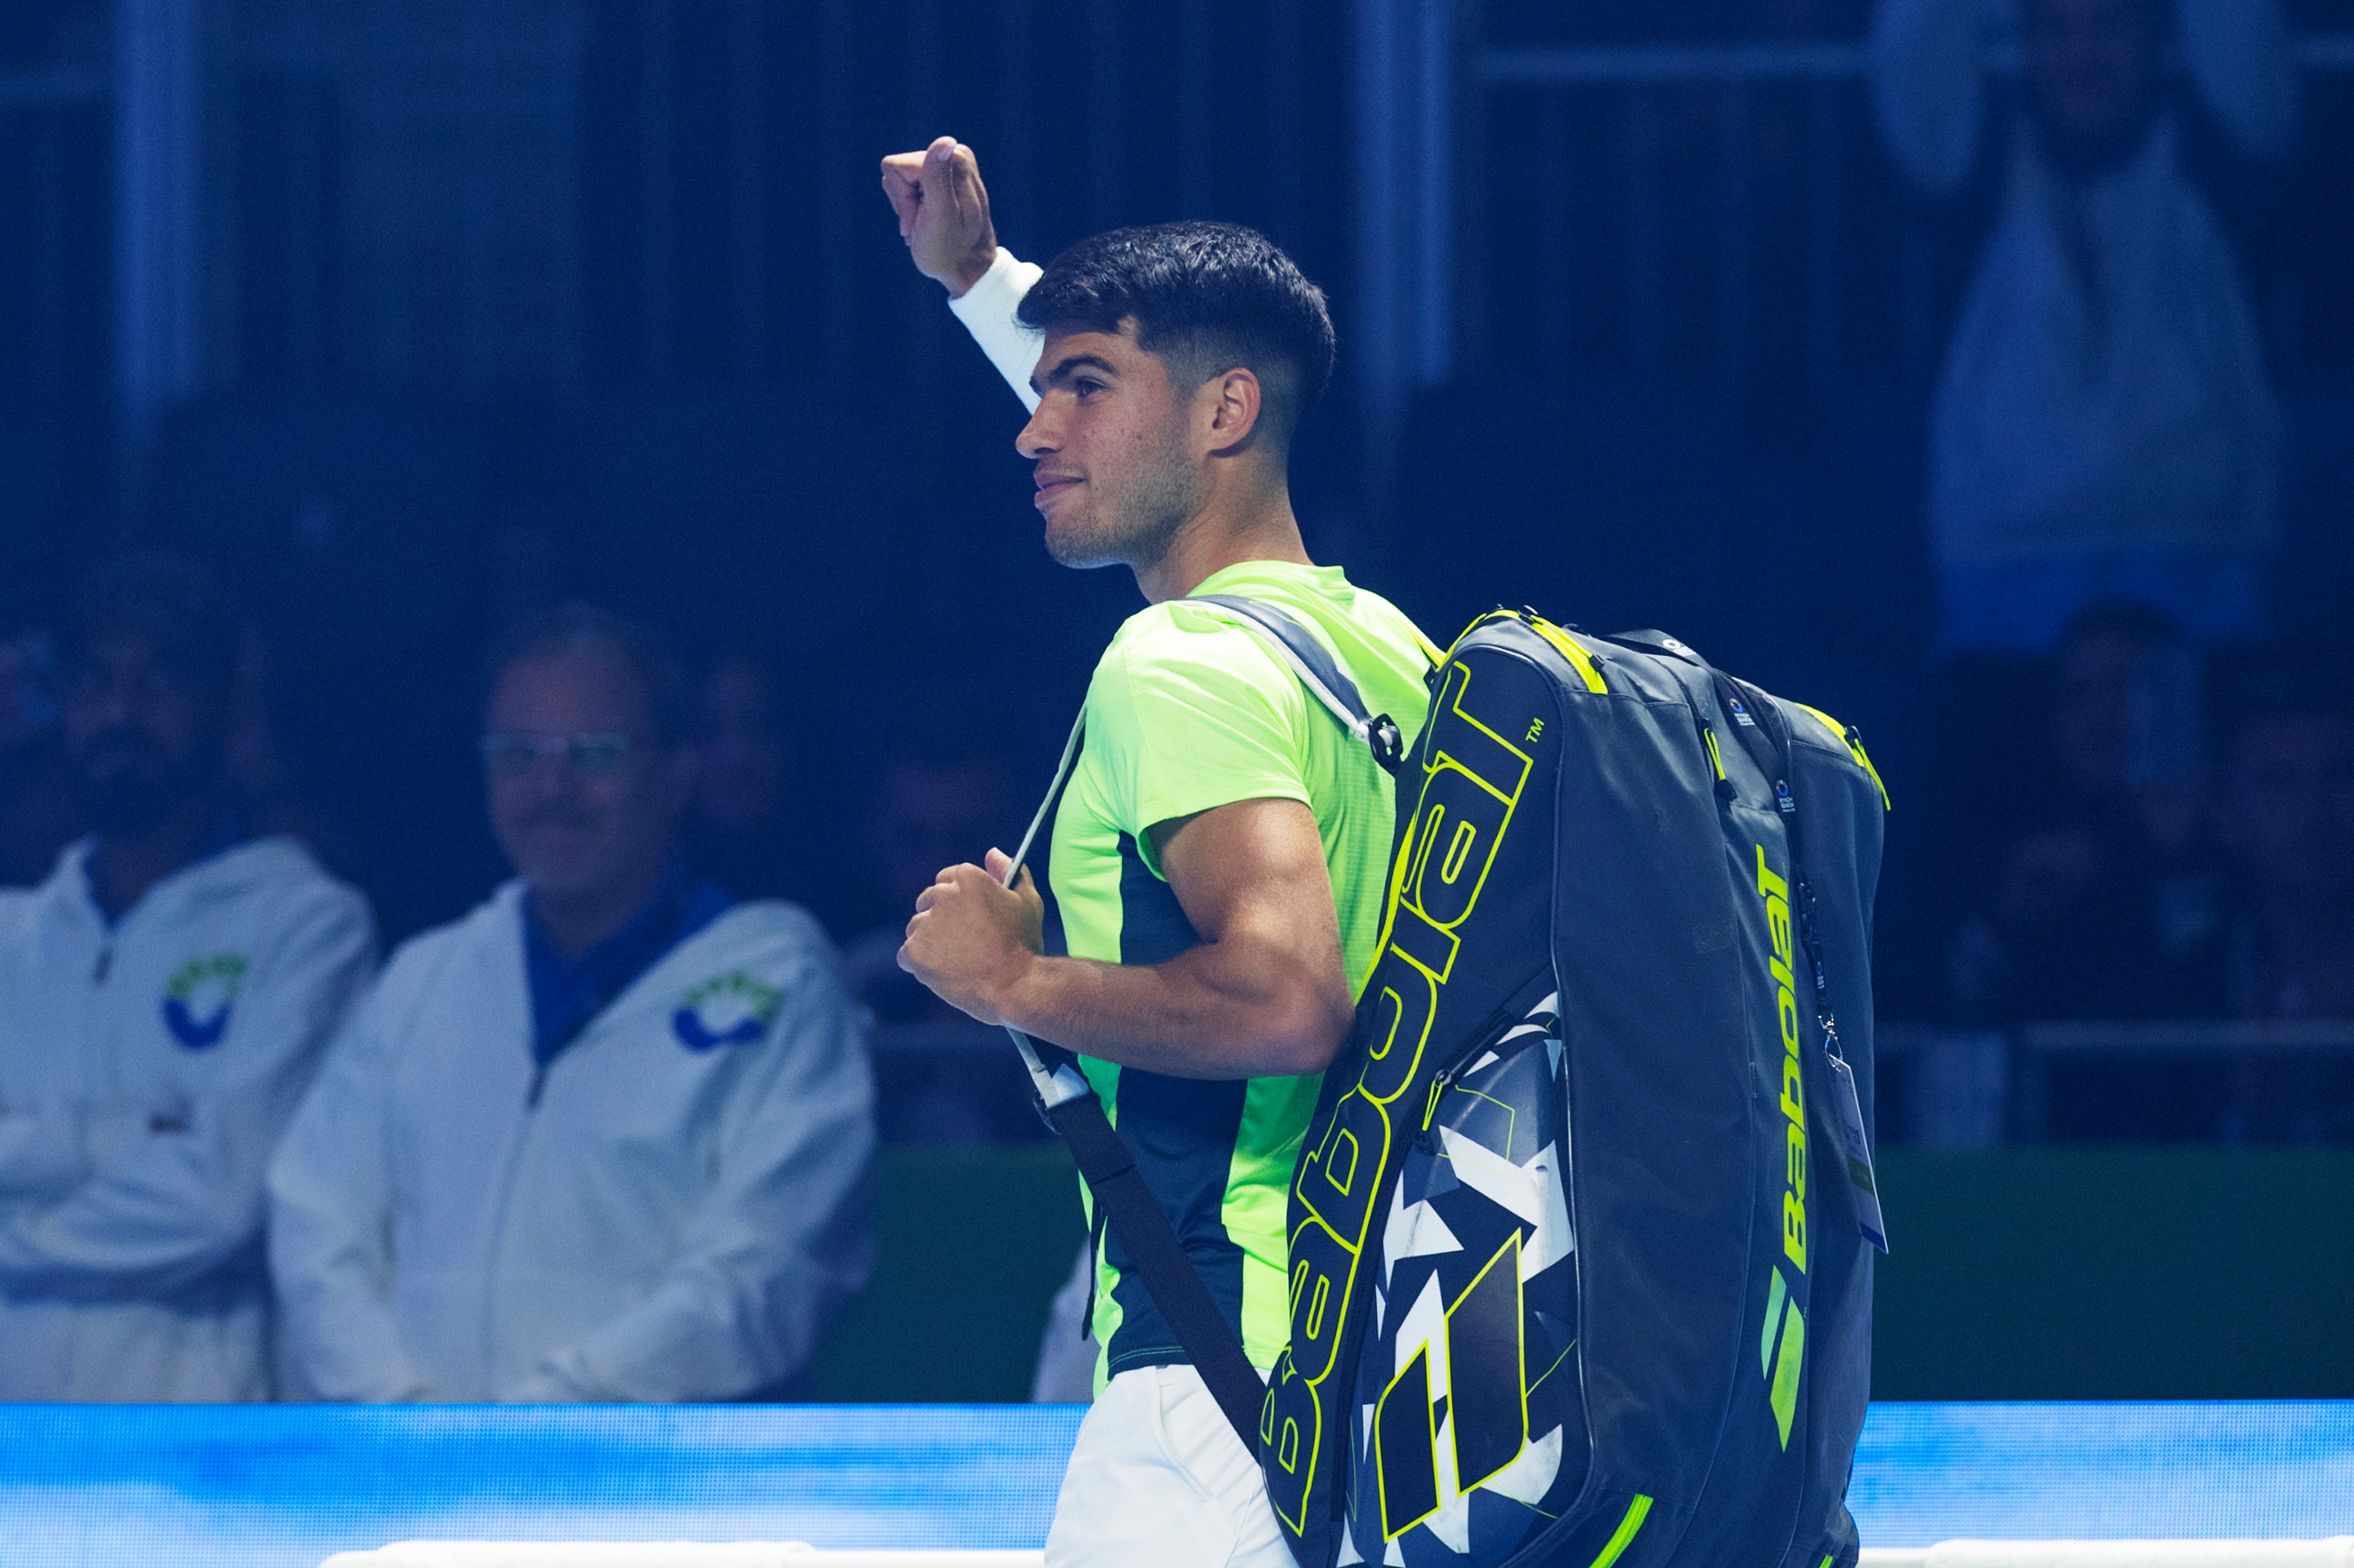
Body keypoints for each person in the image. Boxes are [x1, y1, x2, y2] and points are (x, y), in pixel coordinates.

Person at [881, 138, 1438, 1566]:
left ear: (1225, 413)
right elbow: (1146, 428)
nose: (1034, 428)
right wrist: (975, 284)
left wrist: (1009, 983)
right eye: (1045, 380)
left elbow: (1283, 1002)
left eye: (1081, 387)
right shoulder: (1385, 655)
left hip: (1212, 1394)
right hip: (1383, 1379)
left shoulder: (1177, 658)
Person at [268, 605, 873, 1402]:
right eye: (518, 755)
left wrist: (551, 1422)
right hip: (422, 1484)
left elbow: (773, 1263)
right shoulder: (428, 975)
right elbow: (319, 1222)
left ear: (676, 773)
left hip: (670, 1493)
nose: (550, 788)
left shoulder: (777, 974)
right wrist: (402, 1415)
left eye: (594, 753)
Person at [0, 556, 376, 1400]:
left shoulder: (308, 926)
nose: (121, 712)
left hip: (197, 1467)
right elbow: (185, 1183)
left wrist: (17, 1203)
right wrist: (130, 1140)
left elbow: (222, 1203)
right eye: (97, 681)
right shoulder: (11, 935)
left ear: (227, 708)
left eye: (160, 680)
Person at [1869, 0, 2296, 652]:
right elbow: (1913, 53)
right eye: (2056, 28)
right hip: (2004, 556)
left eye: (2113, 25)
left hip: (2200, 543)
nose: (2085, 54)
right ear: (2023, 44)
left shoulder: (2223, 153)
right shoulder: (1974, 164)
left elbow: (2245, 31)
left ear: (2163, 37)